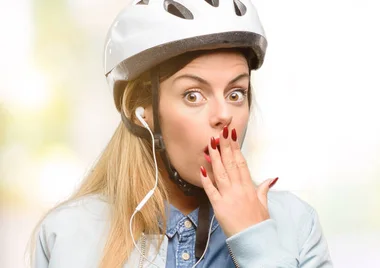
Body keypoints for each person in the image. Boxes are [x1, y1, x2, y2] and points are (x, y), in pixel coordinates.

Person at [29, 0, 333, 267]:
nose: (224, 115)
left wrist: (257, 243)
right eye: (193, 95)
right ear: (140, 110)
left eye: (236, 93)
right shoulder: (67, 233)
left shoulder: (297, 224)